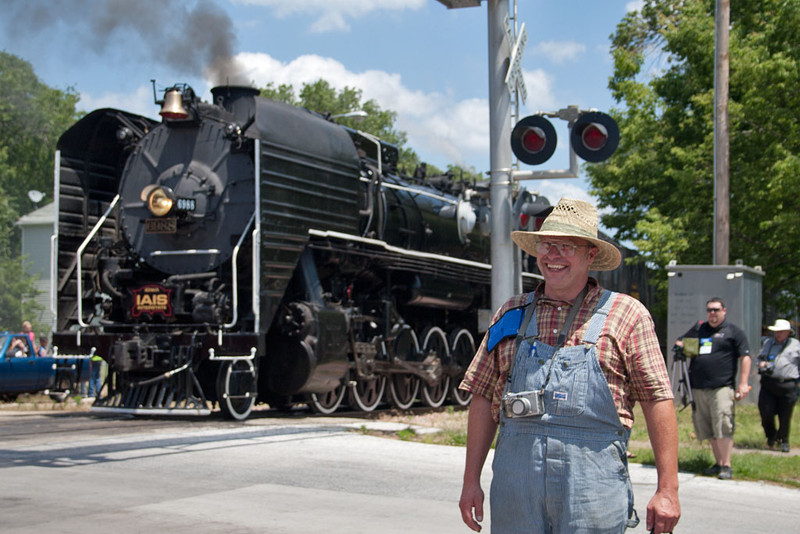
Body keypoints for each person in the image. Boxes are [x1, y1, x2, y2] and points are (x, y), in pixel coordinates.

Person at [458, 198, 680, 534]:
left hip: (593, 491)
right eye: (547, 245)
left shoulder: (627, 315)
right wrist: (470, 480)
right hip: (516, 489)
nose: (553, 255)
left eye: (566, 246)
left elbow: (657, 399)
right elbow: (483, 396)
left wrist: (668, 490)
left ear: (591, 255)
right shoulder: (511, 313)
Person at [675, 297, 751, 480]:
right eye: (709, 310)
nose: (712, 313)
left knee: (723, 425)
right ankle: (718, 463)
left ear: (724, 311)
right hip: (699, 387)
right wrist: (680, 348)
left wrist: (743, 383)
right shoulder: (700, 328)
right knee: (707, 427)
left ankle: (727, 465)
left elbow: (745, 357)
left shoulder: (733, 332)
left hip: (722, 387)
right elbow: (681, 342)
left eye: (716, 310)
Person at [757, 319, 800, 453]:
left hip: (788, 385)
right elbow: (760, 358)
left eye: (781, 332)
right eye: (776, 332)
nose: (778, 334)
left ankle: (783, 440)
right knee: (766, 412)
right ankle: (771, 436)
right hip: (769, 383)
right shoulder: (768, 343)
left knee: (785, 415)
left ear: (788, 333)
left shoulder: (796, 345)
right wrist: (761, 364)